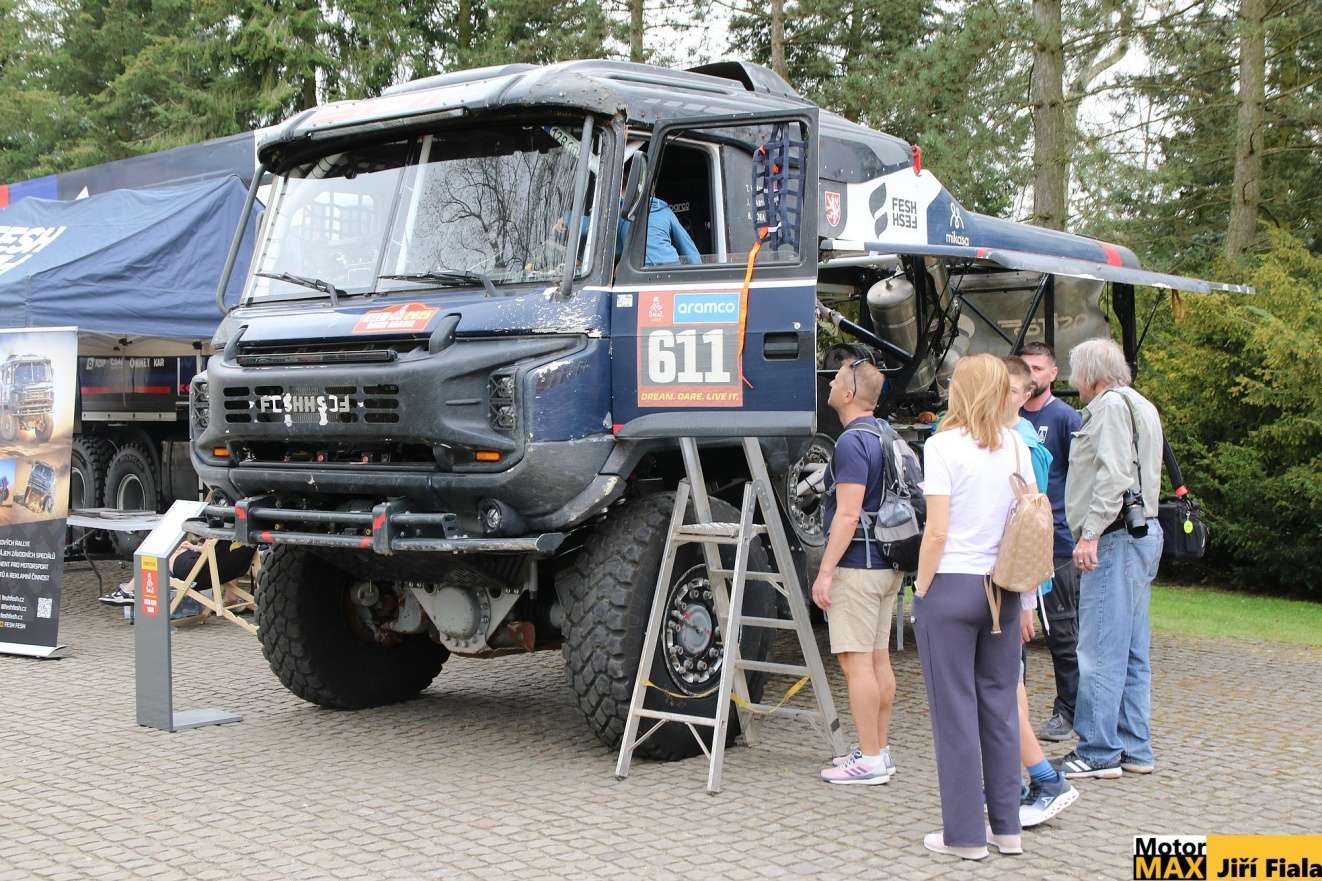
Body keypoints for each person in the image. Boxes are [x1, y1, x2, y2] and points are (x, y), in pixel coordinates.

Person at [913, 353, 1034, 860]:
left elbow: (937, 529)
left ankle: (963, 836)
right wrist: (1026, 597)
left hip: (952, 584)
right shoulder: (1016, 446)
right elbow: (1029, 525)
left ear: (961, 391)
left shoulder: (940, 446)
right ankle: (1007, 829)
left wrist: (921, 588)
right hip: (1003, 586)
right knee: (1000, 708)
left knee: (955, 712)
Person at [1057, 337, 1164, 779]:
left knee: (1099, 647)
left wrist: (1091, 534)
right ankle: (1135, 748)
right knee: (1132, 648)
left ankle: (1098, 750)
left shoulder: (1107, 408)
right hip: (1142, 534)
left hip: (1115, 537)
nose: (1072, 382)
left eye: (1076, 373)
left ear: (1092, 375)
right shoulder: (1141, 404)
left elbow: (1114, 475)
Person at [810, 352, 902, 785]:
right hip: (888, 563)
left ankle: (866, 758)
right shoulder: (885, 433)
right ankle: (880, 750)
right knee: (879, 660)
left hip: (858, 565)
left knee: (856, 664)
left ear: (848, 394)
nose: (827, 385)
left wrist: (825, 571)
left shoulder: (849, 442)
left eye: (833, 382)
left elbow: (847, 515)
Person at [1003, 357, 1079, 828]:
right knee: (1009, 682)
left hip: (1020, 579)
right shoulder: (1013, 437)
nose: (1012, 394)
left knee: (1009, 681)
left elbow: (1031, 522)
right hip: (1014, 580)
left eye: (1015, 388)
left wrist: (1030, 596)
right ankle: (1019, 776)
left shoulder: (1026, 442)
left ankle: (1041, 778)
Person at [1017, 341, 1084, 743]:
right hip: (1017, 546)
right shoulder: (1010, 419)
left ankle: (1068, 710)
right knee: (1013, 634)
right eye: (1025, 368)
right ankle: (1013, 708)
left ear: (1053, 374)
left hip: (1058, 544)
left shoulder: (1065, 418)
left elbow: (1079, 478)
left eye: (1039, 368)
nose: (1032, 375)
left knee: (1061, 632)